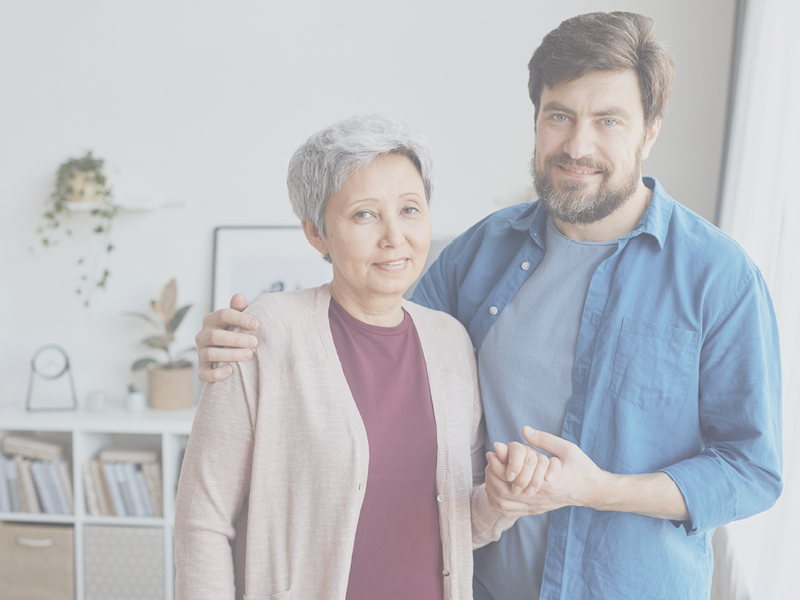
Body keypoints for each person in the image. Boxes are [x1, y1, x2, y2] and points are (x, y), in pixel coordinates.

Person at [194, 12, 782, 600]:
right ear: (536, 121)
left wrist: (597, 488)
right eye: (559, 116)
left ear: (650, 130)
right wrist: (248, 349)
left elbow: (751, 470)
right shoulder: (481, 253)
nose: (578, 144)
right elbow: (373, 350)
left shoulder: (719, 278)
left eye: (608, 120)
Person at [175, 114, 552, 600]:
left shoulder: (451, 343)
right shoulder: (263, 334)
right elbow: (202, 521)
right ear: (316, 233)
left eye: (410, 209)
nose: (394, 236)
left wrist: (501, 502)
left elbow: (460, 526)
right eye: (364, 215)